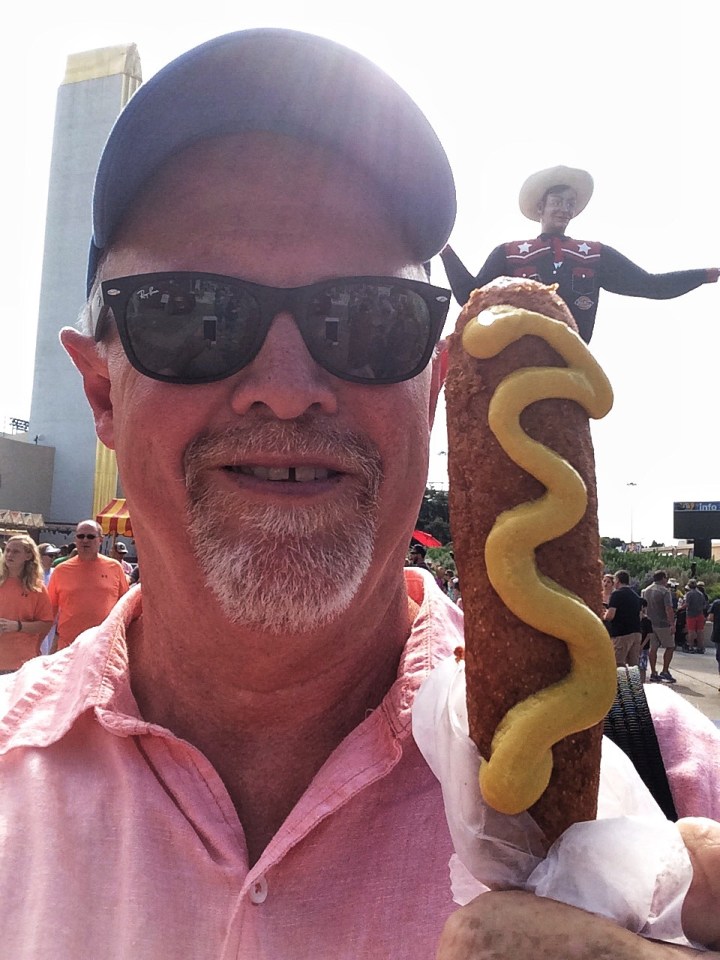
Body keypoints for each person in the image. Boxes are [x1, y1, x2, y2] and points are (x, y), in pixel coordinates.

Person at [0, 30, 718, 960]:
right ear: (101, 391)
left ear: (435, 389)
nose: (288, 385)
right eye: (193, 313)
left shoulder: (662, 775)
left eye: (368, 318)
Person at [440, 165, 720, 344]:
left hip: (572, 363)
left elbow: (652, 285)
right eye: (557, 202)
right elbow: (471, 296)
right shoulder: (510, 253)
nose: (564, 209)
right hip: (517, 358)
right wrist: (444, 249)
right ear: (541, 208)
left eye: (570, 204)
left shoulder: (595, 254)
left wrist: (707, 274)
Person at [47, 519, 129, 650]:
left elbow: (124, 606)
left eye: (90, 536)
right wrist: (41, 643)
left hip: (104, 643)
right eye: (81, 536)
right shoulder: (61, 570)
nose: (85, 540)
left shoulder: (114, 567)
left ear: (100, 540)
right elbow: (50, 610)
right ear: (76, 539)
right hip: (69, 644)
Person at [0, 535, 54, 673]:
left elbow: (46, 623)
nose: (9, 555)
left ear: (28, 555)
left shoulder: (37, 588)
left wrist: (17, 626)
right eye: (8, 550)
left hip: (22, 663)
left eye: (16, 551)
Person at [642, 570, 678, 683]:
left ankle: (653, 672)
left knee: (653, 648)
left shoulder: (645, 591)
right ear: (663, 578)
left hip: (650, 623)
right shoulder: (665, 591)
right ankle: (665, 671)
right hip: (663, 624)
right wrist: (672, 624)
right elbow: (668, 609)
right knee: (670, 646)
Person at [603, 569, 643, 667]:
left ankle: (622, 683)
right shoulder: (635, 596)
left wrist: (603, 614)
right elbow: (640, 616)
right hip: (636, 632)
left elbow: (610, 616)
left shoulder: (617, 594)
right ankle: (634, 683)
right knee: (633, 665)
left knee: (618, 663)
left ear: (617, 580)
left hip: (622, 633)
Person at [682, 578, 708, 654]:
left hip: (691, 615)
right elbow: (704, 605)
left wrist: (680, 608)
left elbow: (687, 604)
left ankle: (691, 647)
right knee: (700, 631)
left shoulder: (689, 594)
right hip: (700, 614)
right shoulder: (701, 594)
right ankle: (701, 647)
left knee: (691, 631)